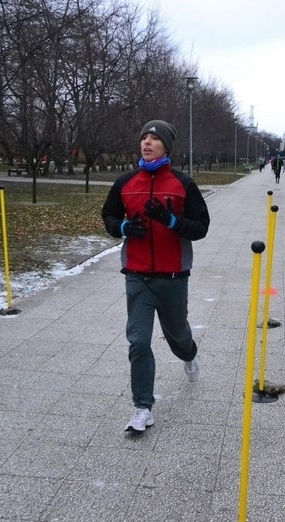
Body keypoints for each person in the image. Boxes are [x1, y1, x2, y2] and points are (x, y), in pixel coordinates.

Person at [101, 120, 210, 432]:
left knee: (178, 337)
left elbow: (201, 227)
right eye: (144, 137)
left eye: (154, 138)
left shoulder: (182, 184)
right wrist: (123, 228)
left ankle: (189, 356)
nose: (147, 143)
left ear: (166, 146)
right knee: (138, 341)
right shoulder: (125, 182)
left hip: (173, 277)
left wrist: (172, 221)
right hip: (137, 276)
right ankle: (143, 408)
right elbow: (108, 215)